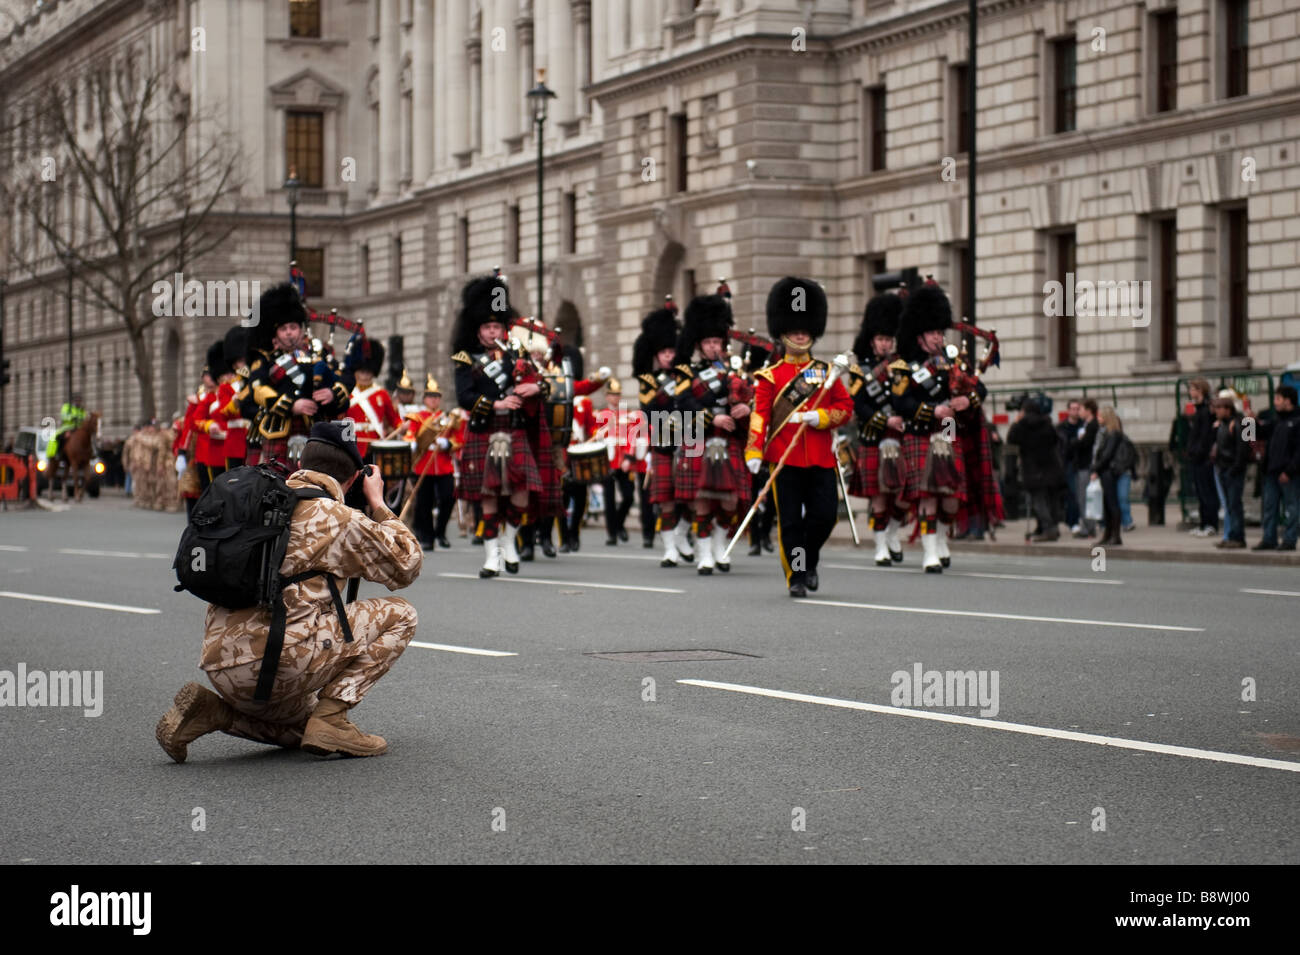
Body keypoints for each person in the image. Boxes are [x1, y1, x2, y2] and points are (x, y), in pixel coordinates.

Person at [156, 421, 422, 761]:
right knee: (402, 615)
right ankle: (333, 717)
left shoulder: (264, 500)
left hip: (222, 666)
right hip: (278, 666)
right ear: (353, 478)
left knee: (303, 731)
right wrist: (379, 503)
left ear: (301, 465)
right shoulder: (337, 518)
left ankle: (216, 713)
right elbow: (407, 565)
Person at [744, 277, 853, 597]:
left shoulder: (826, 372)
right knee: (789, 522)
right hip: (784, 457)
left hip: (820, 456)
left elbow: (845, 408)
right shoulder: (769, 377)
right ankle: (796, 576)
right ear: (783, 333)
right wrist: (753, 452)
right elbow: (759, 416)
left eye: (804, 329)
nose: (800, 334)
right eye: (794, 330)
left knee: (824, 517)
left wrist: (819, 417)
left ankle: (809, 560)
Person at [451, 273, 553, 578]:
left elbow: (543, 386)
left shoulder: (517, 355)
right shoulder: (465, 358)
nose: (492, 331)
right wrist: (497, 403)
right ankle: (491, 555)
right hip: (485, 428)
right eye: (487, 327)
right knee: (489, 494)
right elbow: (464, 396)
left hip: (515, 429)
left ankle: (509, 541)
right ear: (478, 329)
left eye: (496, 326)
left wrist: (535, 389)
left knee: (521, 491)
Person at [893, 279, 978, 572]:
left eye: (941, 332)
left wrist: (968, 401)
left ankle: (941, 538)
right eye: (932, 333)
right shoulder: (906, 367)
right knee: (927, 495)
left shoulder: (952, 363)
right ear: (919, 336)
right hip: (920, 432)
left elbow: (978, 391)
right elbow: (900, 403)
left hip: (948, 432)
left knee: (951, 498)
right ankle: (929, 552)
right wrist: (932, 410)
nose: (938, 338)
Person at [673, 294, 753, 575]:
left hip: (729, 441)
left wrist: (745, 407)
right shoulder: (686, 373)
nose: (713, 347)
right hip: (702, 439)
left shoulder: (735, 372)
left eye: (717, 342)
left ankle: (720, 546)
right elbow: (682, 406)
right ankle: (704, 554)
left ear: (723, 343)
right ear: (699, 345)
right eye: (708, 343)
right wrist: (712, 417)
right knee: (703, 500)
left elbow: (749, 402)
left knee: (730, 500)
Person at [245, 283, 350, 471]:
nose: (289, 332)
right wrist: (291, 405)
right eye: (283, 328)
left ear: (302, 330)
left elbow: (344, 378)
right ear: (275, 333)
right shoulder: (265, 360)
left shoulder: (319, 356)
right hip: (279, 431)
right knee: (276, 486)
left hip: (315, 430)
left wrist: (333, 393)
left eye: (293, 327)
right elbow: (258, 389)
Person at [847, 290, 910, 566]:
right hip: (874, 436)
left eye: (888, 339)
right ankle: (880, 546)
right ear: (872, 341)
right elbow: (857, 405)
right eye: (881, 339)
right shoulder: (860, 370)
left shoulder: (902, 366)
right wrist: (885, 420)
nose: (885, 344)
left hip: (901, 437)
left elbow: (907, 399)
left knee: (904, 495)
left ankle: (893, 533)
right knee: (879, 495)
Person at [634, 300, 695, 568]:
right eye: (664, 352)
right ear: (656, 355)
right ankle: (669, 548)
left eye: (673, 350)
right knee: (665, 500)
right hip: (663, 441)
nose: (669, 356)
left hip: (691, 440)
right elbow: (648, 408)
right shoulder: (649, 380)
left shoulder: (689, 376)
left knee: (694, 499)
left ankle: (682, 534)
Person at [406, 375, 466, 551]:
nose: (434, 400)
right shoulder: (418, 417)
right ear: (425, 399)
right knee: (424, 503)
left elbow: (459, 438)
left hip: (443, 463)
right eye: (431, 397)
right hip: (424, 464)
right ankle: (427, 537)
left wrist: (448, 444)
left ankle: (441, 532)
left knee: (448, 497)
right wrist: (413, 443)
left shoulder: (447, 418)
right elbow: (410, 433)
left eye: (437, 397)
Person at [1007, 394, 1066, 541]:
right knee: (1051, 500)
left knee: (1038, 501)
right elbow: (1055, 442)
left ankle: (1048, 528)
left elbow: (1011, 445)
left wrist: (1015, 424)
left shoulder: (1020, 427)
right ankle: (1050, 527)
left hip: (1032, 469)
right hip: (1051, 467)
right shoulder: (1047, 424)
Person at [1253, 385, 1300, 551]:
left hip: (1288, 473)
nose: (1275, 403)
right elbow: (1251, 435)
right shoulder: (1276, 421)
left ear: (1288, 401)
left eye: (1278, 399)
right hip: (1271, 472)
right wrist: (1248, 420)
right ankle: (1269, 538)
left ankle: (1289, 539)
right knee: (1269, 507)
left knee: (1291, 507)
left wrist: (1290, 471)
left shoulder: (1296, 421)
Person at [344, 337, 402, 460]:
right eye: (362, 371)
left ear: (373, 372)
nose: (365, 375)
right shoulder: (347, 393)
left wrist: (403, 426)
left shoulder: (382, 394)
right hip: (352, 446)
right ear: (356, 371)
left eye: (368, 372)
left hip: (375, 445)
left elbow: (394, 419)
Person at [596, 379, 639, 546]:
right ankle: (612, 533)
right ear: (607, 396)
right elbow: (597, 437)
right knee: (609, 499)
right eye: (612, 395)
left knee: (628, 496)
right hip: (608, 462)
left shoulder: (626, 414)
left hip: (623, 463)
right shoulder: (601, 415)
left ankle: (619, 524)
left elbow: (632, 437)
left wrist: (629, 457)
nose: (615, 398)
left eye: (618, 394)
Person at [1089, 406, 1132, 546]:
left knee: (1112, 504)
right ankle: (1108, 534)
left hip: (1109, 472)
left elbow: (1107, 455)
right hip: (1105, 471)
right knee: (1107, 504)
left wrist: (1095, 467)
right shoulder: (1106, 433)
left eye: (1100, 417)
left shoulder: (1113, 434)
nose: (1098, 419)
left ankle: (1115, 535)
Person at [1211, 394, 1249, 549]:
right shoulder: (1222, 425)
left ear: (1228, 409)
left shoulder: (1239, 423)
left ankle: (1238, 536)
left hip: (1233, 469)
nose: (1216, 412)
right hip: (1224, 468)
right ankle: (1231, 535)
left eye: (1219, 408)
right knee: (1229, 505)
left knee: (1234, 504)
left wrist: (1235, 468)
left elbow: (1244, 448)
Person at [1185, 378, 1218, 537]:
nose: (1190, 392)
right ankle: (1204, 523)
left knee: (1207, 492)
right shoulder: (1198, 410)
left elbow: (1204, 437)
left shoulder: (1205, 412)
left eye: (1193, 389)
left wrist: (1196, 452)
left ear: (1200, 391)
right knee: (1201, 493)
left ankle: (1210, 524)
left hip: (1203, 459)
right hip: (1198, 458)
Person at [1071, 398, 1099, 537]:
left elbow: (1085, 444)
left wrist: (1077, 441)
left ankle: (1088, 528)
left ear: (1088, 410)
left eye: (1081, 409)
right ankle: (1088, 526)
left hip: (1086, 465)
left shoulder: (1092, 426)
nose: (1079, 412)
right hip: (1083, 465)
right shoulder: (1086, 425)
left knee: (1084, 498)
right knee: (1083, 498)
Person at [1056, 400, 1081, 529]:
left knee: (1079, 493)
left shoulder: (1083, 425)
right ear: (1068, 410)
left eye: (1077, 409)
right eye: (1073, 409)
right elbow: (1062, 447)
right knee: (1072, 492)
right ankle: (1073, 521)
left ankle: (1075, 520)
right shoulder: (1062, 427)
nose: (1076, 411)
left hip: (1081, 463)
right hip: (1068, 463)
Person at [47, 391, 89, 461]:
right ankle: (58, 453)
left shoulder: (82, 410)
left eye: (79, 400)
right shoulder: (67, 407)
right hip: (68, 428)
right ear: (73, 401)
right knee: (59, 437)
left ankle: (92, 452)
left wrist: (83, 419)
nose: (78, 402)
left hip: (79, 428)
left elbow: (85, 417)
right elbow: (63, 416)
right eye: (76, 400)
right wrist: (72, 417)